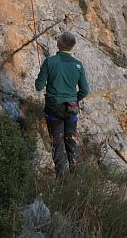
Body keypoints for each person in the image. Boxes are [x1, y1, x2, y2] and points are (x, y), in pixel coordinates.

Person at [35, 31, 89, 179]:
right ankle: (77, 178)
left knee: (57, 143)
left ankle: (62, 181)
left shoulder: (50, 61)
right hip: (71, 109)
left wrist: (43, 80)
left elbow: (39, 87)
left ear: (59, 43)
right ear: (72, 46)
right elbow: (85, 90)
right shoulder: (78, 65)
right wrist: (74, 99)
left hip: (54, 109)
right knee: (71, 141)